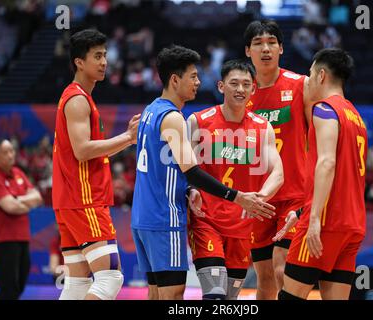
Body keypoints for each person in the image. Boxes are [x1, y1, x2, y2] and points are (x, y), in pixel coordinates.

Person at [131, 45, 276, 300]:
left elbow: (167, 168)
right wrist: (237, 196)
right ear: (175, 80)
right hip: (169, 216)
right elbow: (192, 171)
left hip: (149, 215)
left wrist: (191, 190)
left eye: (246, 84)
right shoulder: (182, 118)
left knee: (160, 293)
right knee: (182, 294)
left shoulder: (151, 110)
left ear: (253, 88)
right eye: (193, 77)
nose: (198, 82)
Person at [52, 29, 140, 300]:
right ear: (79, 62)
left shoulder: (77, 96)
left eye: (105, 55)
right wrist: (128, 138)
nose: (104, 62)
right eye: (97, 56)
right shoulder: (78, 99)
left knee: (77, 284)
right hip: (84, 199)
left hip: (70, 199)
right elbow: (82, 150)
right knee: (110, 278)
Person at [187, 59, 284, 300]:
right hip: (206, 219)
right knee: (215, 294)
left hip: (241, 226)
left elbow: (278, 173)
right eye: (234, 83)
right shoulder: (198, 121)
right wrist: (189, 190)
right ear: (221, 86)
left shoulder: (263, 128)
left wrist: (258, 199)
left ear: (253, 89)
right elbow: (184, 168)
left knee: (230, 299)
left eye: (246, 84)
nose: (240, 89)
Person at [277, 48, 368, 300]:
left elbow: (327, 164)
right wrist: (301, 212)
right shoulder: (357, 117)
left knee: (289, 297)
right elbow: (346, 177)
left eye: (310, 74)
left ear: (321, 75)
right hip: (353, 225)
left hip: (326, 221)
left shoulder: (325, 109)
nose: (307, 81)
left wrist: (313, 218)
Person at [244, 19, 312, 299]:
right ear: (248, 51)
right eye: (258, 43)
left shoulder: (301, 86)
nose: (266, 48)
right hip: (258, 198)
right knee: (265, 278)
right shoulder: (241, 93)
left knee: (283, 269)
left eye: (271, 42)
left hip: (294, 195)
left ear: (281, 48)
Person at [0, 139, 43, 300]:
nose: (11, 155)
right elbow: (9, 207)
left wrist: (15, 199)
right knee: (9, 287)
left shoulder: (18, 173)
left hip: (22, 237)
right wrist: (25, 202)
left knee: (20, 285)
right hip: (3, 239)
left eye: (12, 151)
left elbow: (38, 197)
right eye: (5, 152)